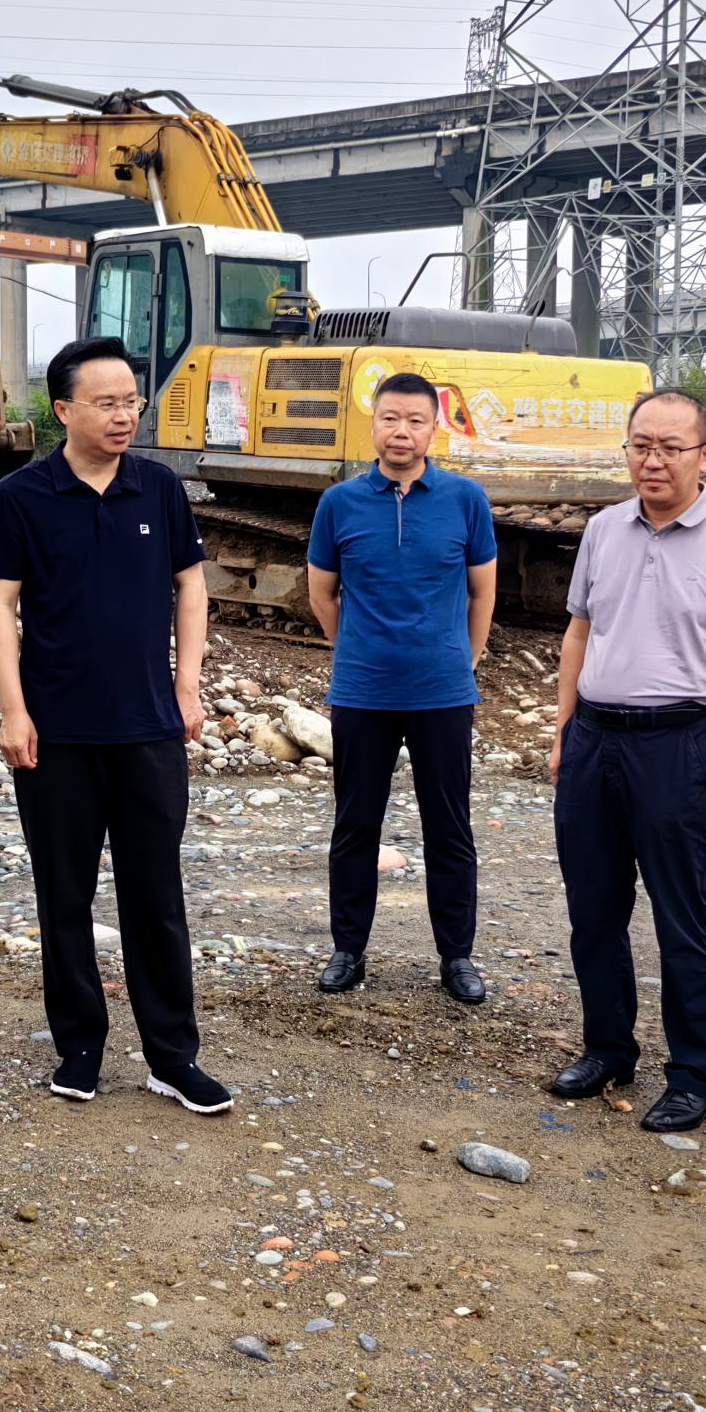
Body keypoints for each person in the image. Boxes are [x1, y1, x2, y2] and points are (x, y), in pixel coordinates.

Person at [0, 336, 232, 1114]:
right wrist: (14, 708)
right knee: (64, 895)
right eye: (107, 403)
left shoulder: (159, 488)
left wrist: (187, 684)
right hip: (55, 733)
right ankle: (80, 1044)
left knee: (156, 896)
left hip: (148, 728)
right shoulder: (22, 495)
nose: (125, 416)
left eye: (132, 401)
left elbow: (192, 588)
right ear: (64, 409)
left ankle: (172, 1055)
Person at [549, 387, 706, 1133]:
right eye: (640, 445)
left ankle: (694, 1075)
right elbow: (579, 633)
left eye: (670, 448)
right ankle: (608, 1048)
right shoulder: (603, 531)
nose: (652, 460)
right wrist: (563, 729)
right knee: (593, 908)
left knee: (684, 915)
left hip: (681, 746)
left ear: (705, 456)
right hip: (595, 739)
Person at [307, 371, 498, 1003]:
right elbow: (322, 592)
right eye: (390, 418)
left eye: (416, 420)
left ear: (433, 428)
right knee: (355, 825)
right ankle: (348, 950)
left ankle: (457, 958)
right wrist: (355, 648)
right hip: (363, 692)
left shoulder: (465, 499)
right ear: (374, 423)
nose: (402, 431)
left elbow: (482, 592)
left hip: (443, 692)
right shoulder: (339, 503)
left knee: (450, 828)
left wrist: (464, 659)